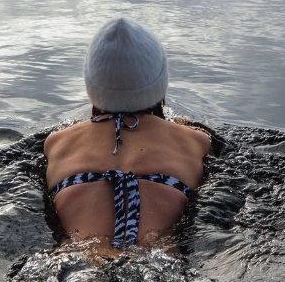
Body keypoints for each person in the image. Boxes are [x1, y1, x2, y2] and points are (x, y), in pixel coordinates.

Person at [44, 17, 210, 256]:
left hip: (77, 258)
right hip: (158, 260)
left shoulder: (57, 142)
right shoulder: (196, 140)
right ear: (161, 81)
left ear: (90, 84)